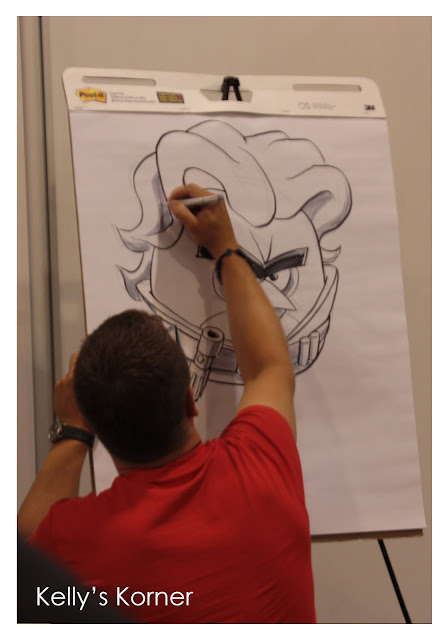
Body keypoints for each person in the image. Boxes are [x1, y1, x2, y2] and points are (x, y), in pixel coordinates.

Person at [17, 184, 316, 623]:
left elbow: (20, 566)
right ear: (190, 399)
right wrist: (226, 247)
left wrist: (72, 432)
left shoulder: (73, 537)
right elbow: (268, 366)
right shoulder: (260, 466)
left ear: (101, 431)